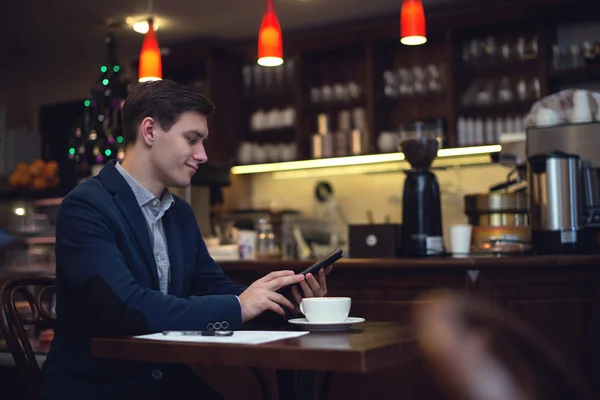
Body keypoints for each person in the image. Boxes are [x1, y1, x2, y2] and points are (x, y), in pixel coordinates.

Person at [37, 79, 332, 400]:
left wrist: (286, 300)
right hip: (98, 387)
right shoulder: (86, 206)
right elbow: (126, 307)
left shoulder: (180, 213)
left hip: (161, 382)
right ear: (149, 131)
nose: (203, 155)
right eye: (192, 139)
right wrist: (239, 305)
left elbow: (214, 289)